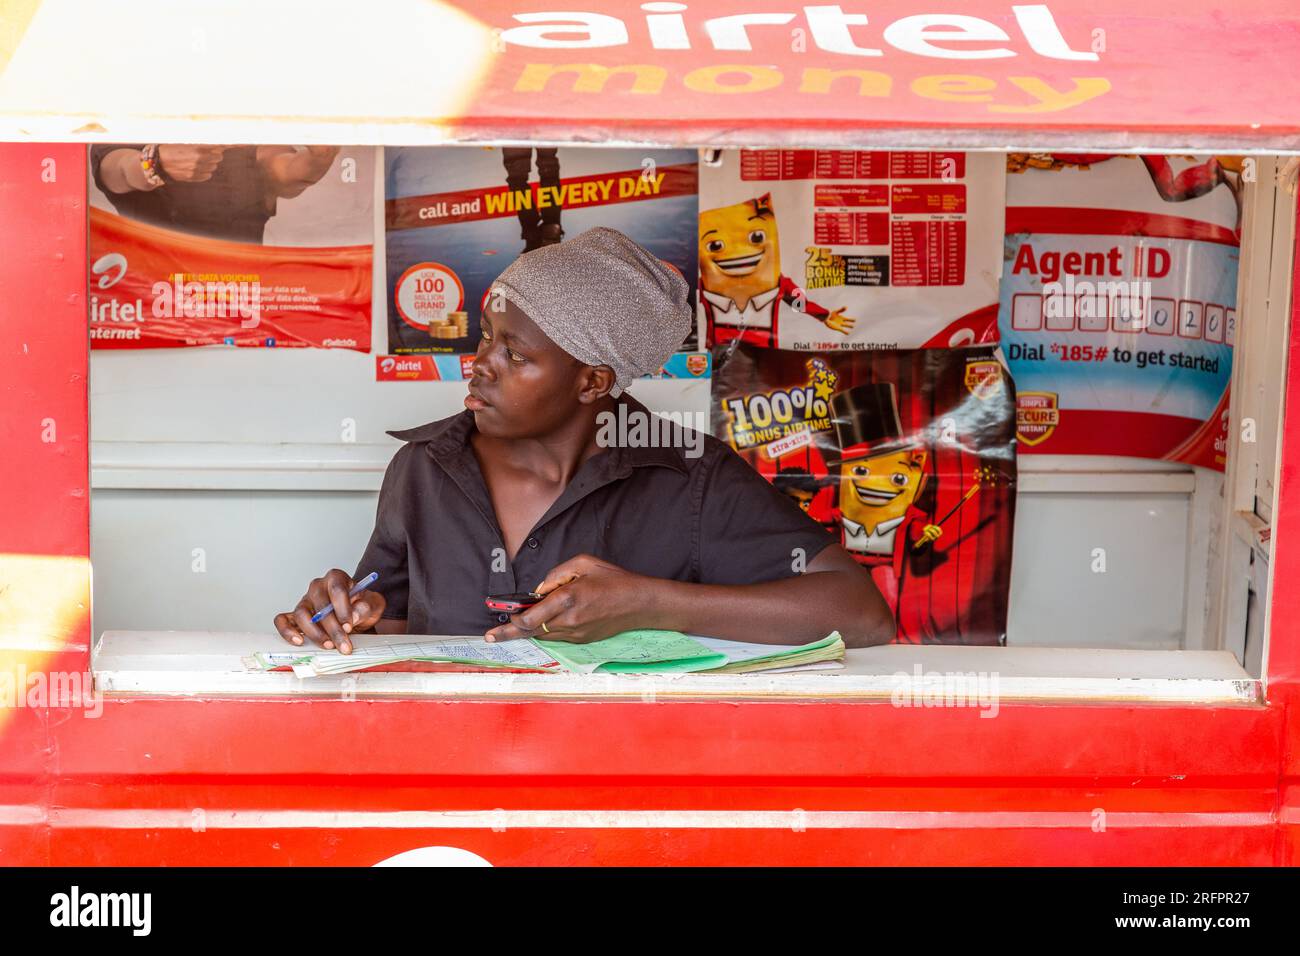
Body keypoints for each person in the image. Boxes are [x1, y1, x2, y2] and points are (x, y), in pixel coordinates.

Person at [273, 227, 893, 652]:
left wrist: (654, 603)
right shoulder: (424, 469)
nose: (480, 363)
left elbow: (860, 614)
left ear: (592, 381)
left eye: (515, 354)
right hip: (453, 770)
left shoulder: (689, 480)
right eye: (487, 335)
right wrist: (349, 619)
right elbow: (391, 616)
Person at [91, 144, 341, 244]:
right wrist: (155, 162)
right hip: (154, 302)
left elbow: (285, 170)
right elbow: (119, 170)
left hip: (239, 306)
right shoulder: (127, 120)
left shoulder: (244, 132)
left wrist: (318, 157)